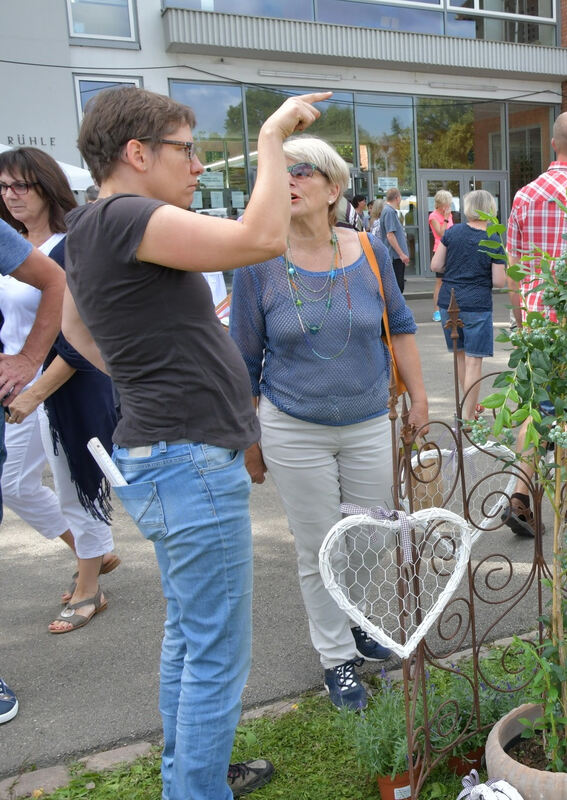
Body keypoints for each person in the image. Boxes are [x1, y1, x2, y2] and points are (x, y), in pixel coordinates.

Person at [62, 85, 328, 799]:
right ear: (137, 153)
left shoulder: (87, 226)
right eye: (186, 149)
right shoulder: (127, 215)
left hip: (162, 454)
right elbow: (261, 240)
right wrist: (271, 137)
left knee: (190, 637)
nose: (198, 165)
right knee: (213, 655)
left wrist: (152, 370)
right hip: (187, 459)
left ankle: (191, 778)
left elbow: (80, 333)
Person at [230, 135, 429, 710]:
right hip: (293, 426)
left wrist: (419, 398)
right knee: (319, 547)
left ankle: (361, 623)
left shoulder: (368, 250)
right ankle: (336, 658)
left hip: (368, 420)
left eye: (301, 171)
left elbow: (401, 325)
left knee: (369, 537)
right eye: (278, 170)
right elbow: (243, 357)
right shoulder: (258, 263)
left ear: (333, 188)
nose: (288, 180)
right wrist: (249, 438)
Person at [0, 146, 119, 632]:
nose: (11, 196)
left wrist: (35, 384)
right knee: (13, 484)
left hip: (65, 382)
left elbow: (85, 332)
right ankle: (91, 549)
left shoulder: (73, 245)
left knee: (76, 485)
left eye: (20, 186)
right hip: (15, 384)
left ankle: (90, 585)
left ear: (46, 187)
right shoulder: (11, 244)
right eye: (3, 187)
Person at [501, 109, 567, 536]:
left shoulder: (524, 196)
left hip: (536, 322)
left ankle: (521, 496)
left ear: (551, 145)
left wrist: (523, 322)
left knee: (535, 407)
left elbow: (513, 269)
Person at [0, 222, 67, 726]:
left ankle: (92, 558)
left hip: (47, 390)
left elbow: (55, 282)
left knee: (46, 483)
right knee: (20, 485)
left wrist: (30, 363)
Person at [431, 189, 502, 424]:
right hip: (477, 304)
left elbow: (435, 264)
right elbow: (500, 281)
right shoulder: (493, 238)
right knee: (474, 360)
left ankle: (466, 406)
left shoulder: (453, 232)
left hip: (448, 302)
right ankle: (468, 415)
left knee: (460, 356)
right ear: (491, 209)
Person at [429, 189, 454, 323]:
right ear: (440, 203)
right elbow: (441, 233)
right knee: (440, 282)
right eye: (446, 203)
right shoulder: (433, 216)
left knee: (451, 280)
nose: (448, 206)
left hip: (451, 249)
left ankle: (450, 308)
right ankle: (437, 311)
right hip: (439, 250)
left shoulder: (448, 215)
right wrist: (445, 218)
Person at [379, 187, 410, 292]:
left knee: (397, 286)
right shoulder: (389, 212)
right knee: (397, 287)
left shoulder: (389, 211)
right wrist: (401, 254)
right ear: (397, 198)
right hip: (395, 257)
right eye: (400, 197)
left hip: (396, 256)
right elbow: (390, 235)